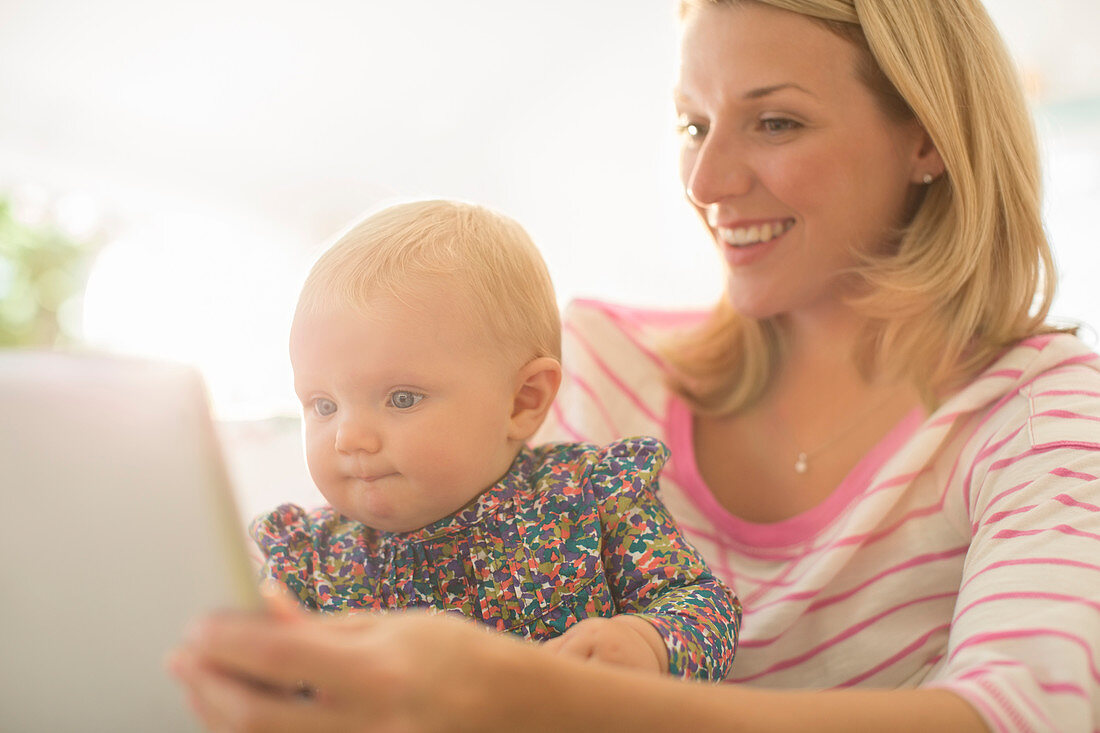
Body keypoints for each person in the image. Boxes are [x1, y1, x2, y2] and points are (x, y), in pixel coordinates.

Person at [170, 0, 1100, 731]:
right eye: (695, 125)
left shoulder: (1039, 413)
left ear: (927, 137)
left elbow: (1027, 714)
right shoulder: (601, 363)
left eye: (774, 123)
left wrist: (564, 703)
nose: (706, 182)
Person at [230, 199, 739, 683]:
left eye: (401, 399)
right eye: (323, 405)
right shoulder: (307, 561)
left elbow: (702, 606)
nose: (349, 437)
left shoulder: (591, 498)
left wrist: (647, 642)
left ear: (522, 400)